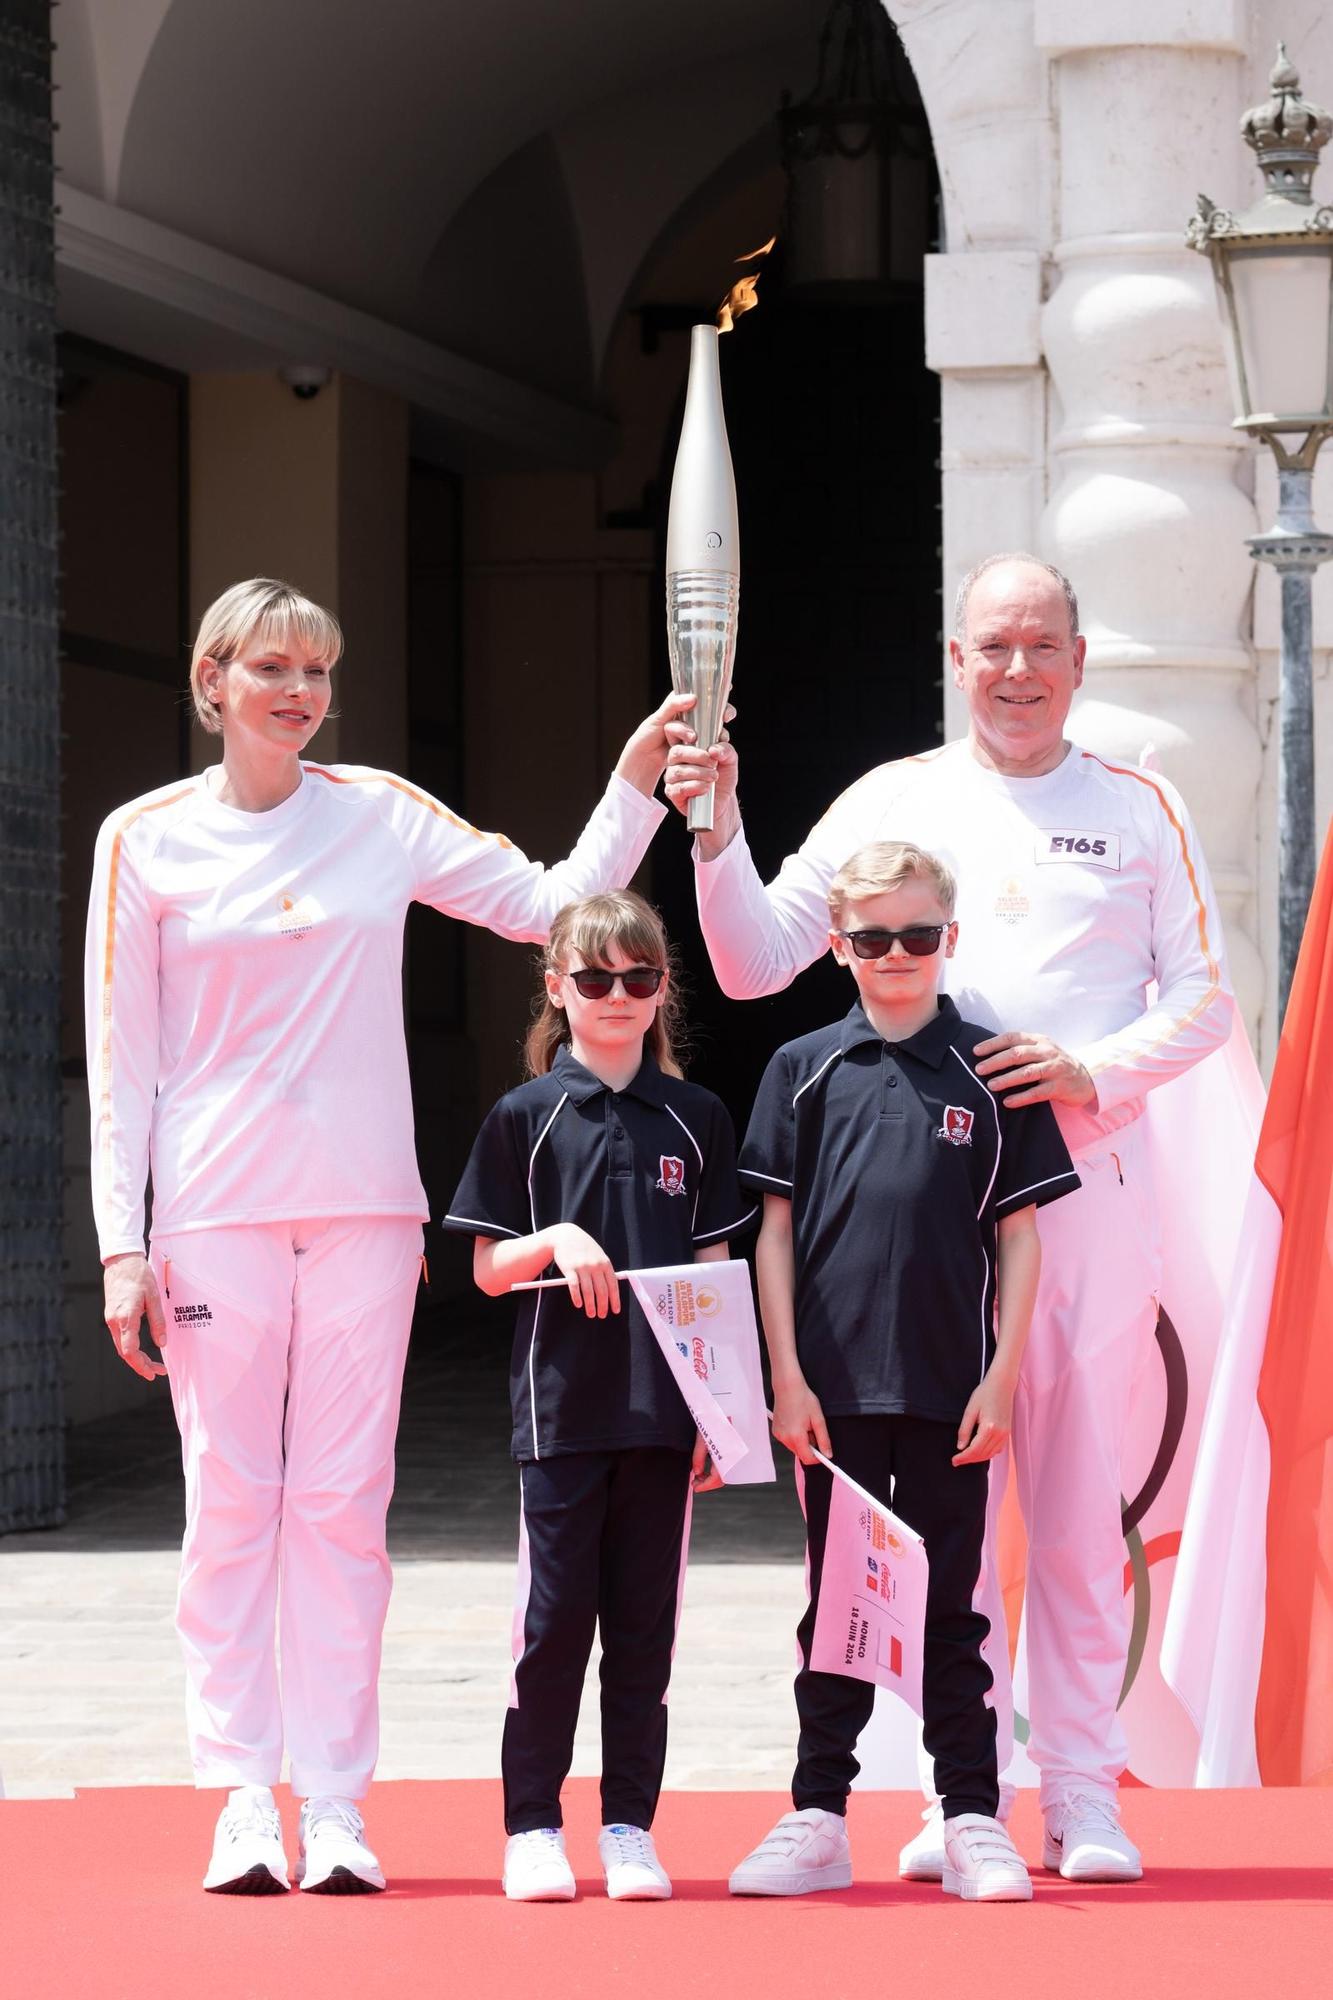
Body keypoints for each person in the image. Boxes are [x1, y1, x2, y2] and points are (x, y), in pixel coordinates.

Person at [86, 578, 688, 1897]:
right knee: (233, 1508)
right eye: (271, 669)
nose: (297, 692)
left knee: (345, 1513)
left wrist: (635, 788)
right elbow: (120, 1052)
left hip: (367, 1211)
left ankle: (342, 1804)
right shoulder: (145, 841)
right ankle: (246, 1795)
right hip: (212, 1214)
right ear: (212, 680)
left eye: (316, 670)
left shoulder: (379, 818)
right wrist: (121, 1243)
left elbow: (549, 904)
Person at [665, 552, 1233, 1882]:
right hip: (916, 1225)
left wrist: (1095, 1072)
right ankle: (955, 1792)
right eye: (993, 647)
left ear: (1078, 660)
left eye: (1042, 645)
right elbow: (752, 961)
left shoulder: (1140, 807)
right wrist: (716, 831)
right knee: (933, 1518)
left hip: (1080, 1199)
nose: (1018, 670)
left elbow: (1204, 999)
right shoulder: (895, 798)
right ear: (957, 660)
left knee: (1080, 1508)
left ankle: (1083, 1792)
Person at [728, 841, 1079, 1903]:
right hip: (831, 1396)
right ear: (837, 945)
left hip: (947, 1387)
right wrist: (784, 1374)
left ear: (948, 940)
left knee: (950, 1612)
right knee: (836, 1602)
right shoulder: (802, 1066)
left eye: (917, 935)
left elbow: (1018, 1237)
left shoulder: (992, 1065)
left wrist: (1001, 1373)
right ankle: (818, 1812)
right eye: (873, 937)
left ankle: (971, 1810)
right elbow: (771, 1234)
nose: (896, 954)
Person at [443, 890, 756, 1903]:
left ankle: (629, 1824)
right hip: (561, 1413)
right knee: (551, 1625)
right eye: (593, 978)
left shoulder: (697, 1117)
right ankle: (532, 1823)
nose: (615, 996)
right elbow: (489, 1267)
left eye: (638, 977)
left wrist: (723, 1415)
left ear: (665, 988)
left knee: (645, 1629)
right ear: (556, 988)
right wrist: (556, 1240)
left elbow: (714, 1272)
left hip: (663, 1420)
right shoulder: (524, 1118)